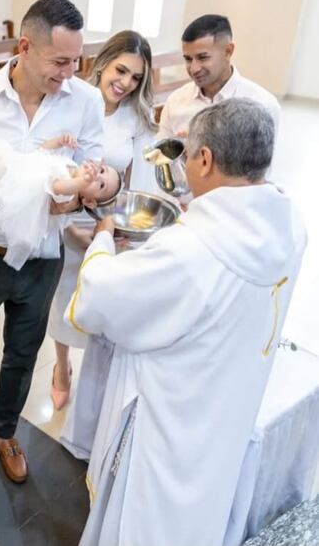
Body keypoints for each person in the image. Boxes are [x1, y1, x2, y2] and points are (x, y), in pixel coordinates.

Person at [68, 98, 306, 546]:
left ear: (205, 158)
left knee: (146, 521)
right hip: (227, 416)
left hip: (171, 428)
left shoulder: (192, 251)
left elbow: (100, 297)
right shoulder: (289, 224)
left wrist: (102, 241)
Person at [0, 0, 103, 492]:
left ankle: (5, 432)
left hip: (42, 258)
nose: (70, 72)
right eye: (60, 61)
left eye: (77, 60)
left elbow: (87, 174)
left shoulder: (85, 101)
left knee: (23, 352)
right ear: (25, 47)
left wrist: (70, 203)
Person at [46, 30, 158, 429]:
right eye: (121, 70)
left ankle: (96, 376)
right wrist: (67, 229)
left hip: (108, 224)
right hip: (61, 217)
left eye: (135, 78)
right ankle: (61, 368)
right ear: (103, 63)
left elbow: (138, 179)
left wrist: (116, 231)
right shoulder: (71, 100)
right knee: (63, 299)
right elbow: (48, 165)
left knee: (104, 304)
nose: (125, 83)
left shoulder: (138, 118)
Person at [0, 125, 120, 271]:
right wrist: (58, 142)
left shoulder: (70, 195)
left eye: (101, 185)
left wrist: (81, 182)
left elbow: (56, 187)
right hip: (17, 166)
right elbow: (41, 153)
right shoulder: (70, 166)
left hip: (14, 185)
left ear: (88, 201)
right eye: (102, 171)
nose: (97, 176)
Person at [159, 14, 280, 139]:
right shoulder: (175, 102)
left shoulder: (263, 105)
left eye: (203, 57)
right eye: (188, 59)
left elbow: (262, 159)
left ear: (228, 51)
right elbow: (160, 155)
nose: (194, 68)